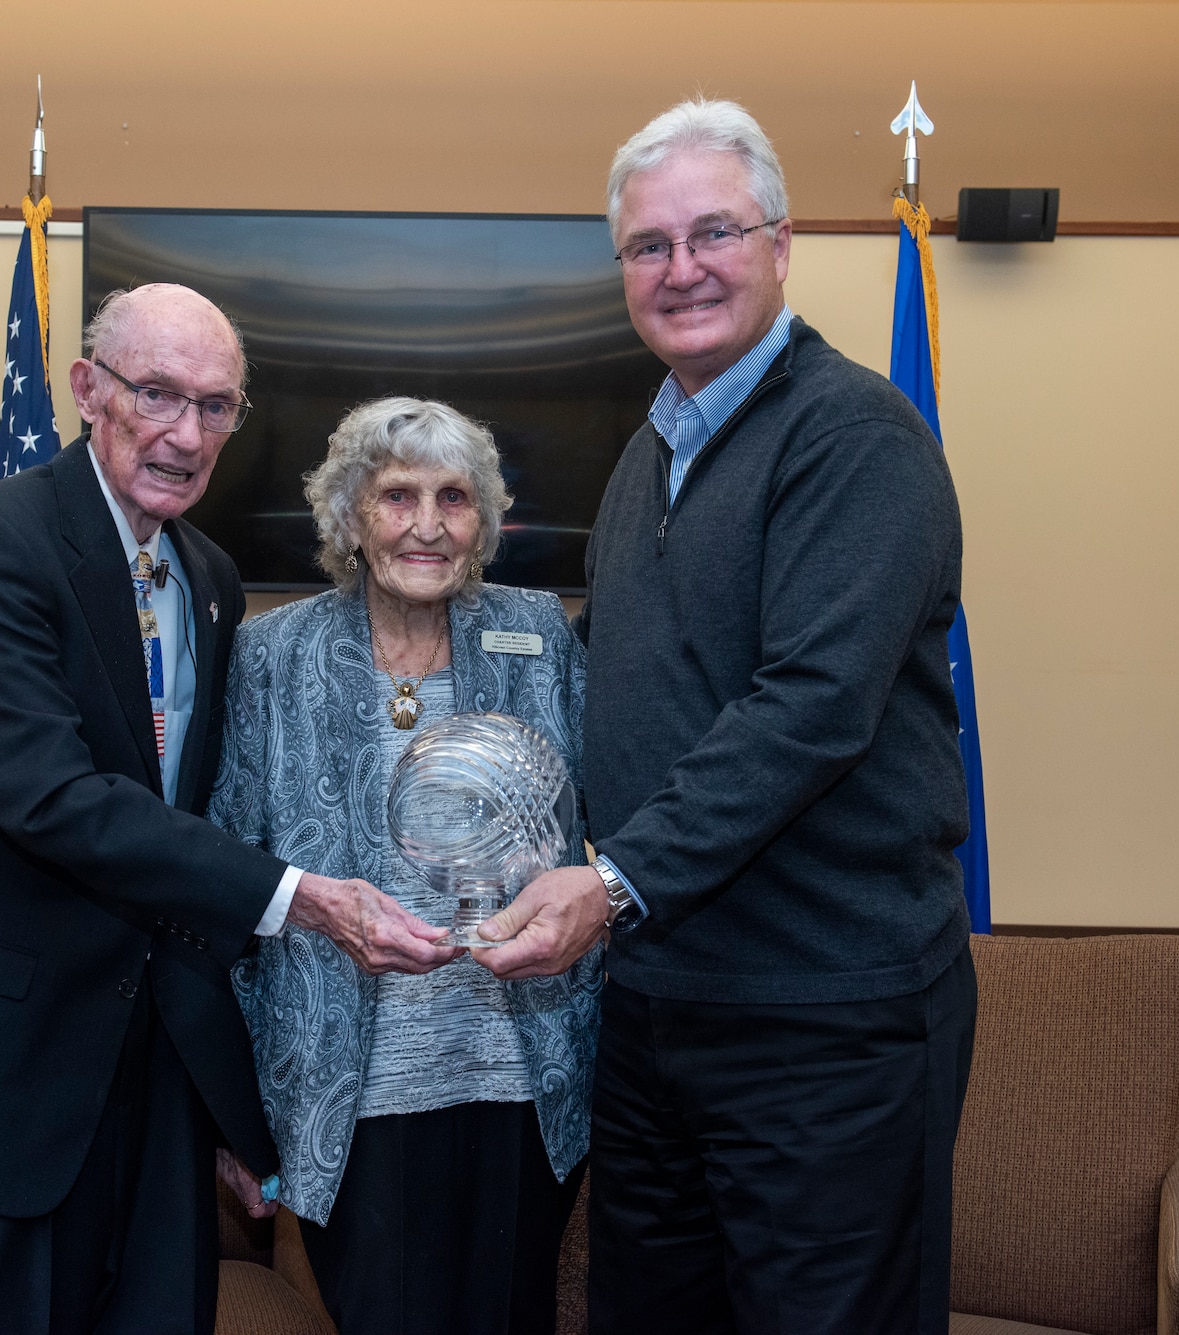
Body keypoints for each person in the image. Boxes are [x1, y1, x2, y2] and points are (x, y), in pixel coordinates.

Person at [0, 284, 451, 1335]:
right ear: (87, 390)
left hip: (151, 1082)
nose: (186, 433)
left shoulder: (206, 577)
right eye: (158, 394)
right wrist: (301, 897)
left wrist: (226, 1104)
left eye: (215, 406)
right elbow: (54, 802)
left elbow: (188, 841)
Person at [476, 99, 979, 1333]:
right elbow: (627, 663)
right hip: (661, 1002)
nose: (681, 268)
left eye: (713, 232)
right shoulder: (656, 443)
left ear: (779, 243)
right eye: (648, 246)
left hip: (820, 1014)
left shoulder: (853, 436)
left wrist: (614, 879)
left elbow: (808, 708)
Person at [209, 397, 597, 1335]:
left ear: (484, 521)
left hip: (521, 1073)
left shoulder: (541, 634)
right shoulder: (272, 653)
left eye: (454, 497)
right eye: (397, 496)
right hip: (350, 1086)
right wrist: (229, 1105)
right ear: (350, 516)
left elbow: (615, 814)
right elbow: (226, 870)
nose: (427, 525)